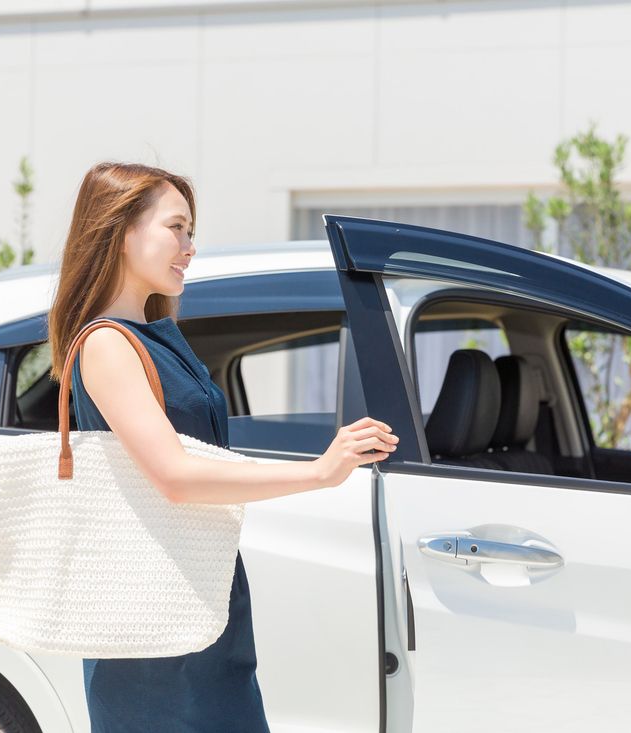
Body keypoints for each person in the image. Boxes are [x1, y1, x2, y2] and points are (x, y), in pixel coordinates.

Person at [47, 161, 398, 732]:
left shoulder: (158, 335)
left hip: (199, 593)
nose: (189, 246)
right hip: (152, 620)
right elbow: (176, 476)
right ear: (120, 232)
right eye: (176, 229)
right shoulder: (108, 344)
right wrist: (318, 472)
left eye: (191, 232)